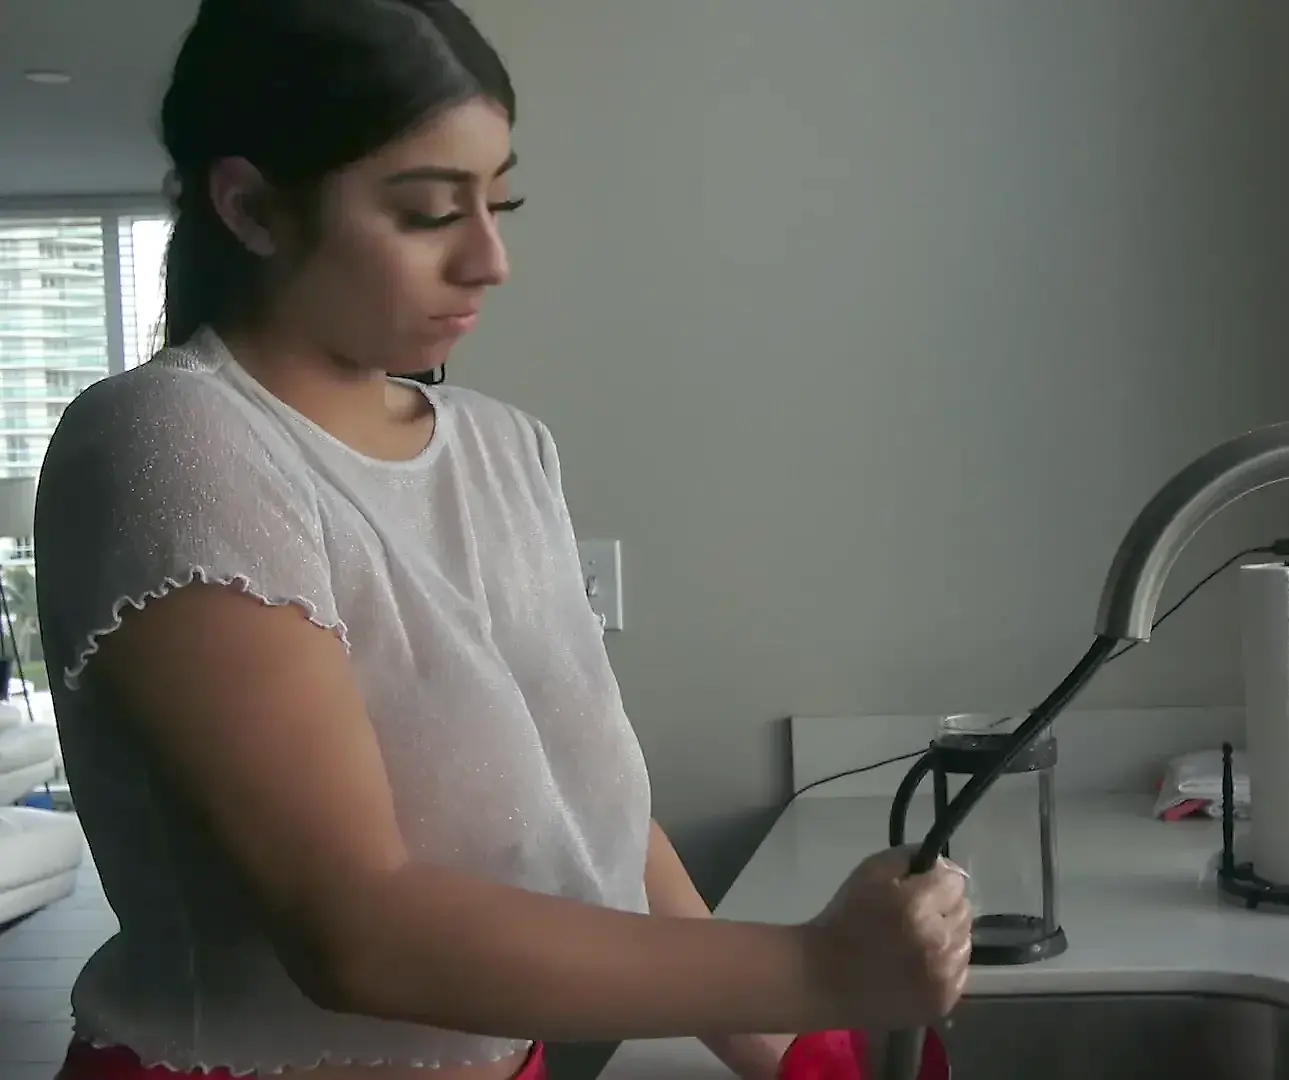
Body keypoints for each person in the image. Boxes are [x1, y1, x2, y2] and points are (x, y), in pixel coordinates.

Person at [32, 3, 973, 1080]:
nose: (491, 259)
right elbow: (357, 931)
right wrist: (812, 969)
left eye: (500, 201)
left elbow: (601, 816)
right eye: (430, 212)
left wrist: (798, 1051)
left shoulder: (503, 448)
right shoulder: (174, 441)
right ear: (252, 208)